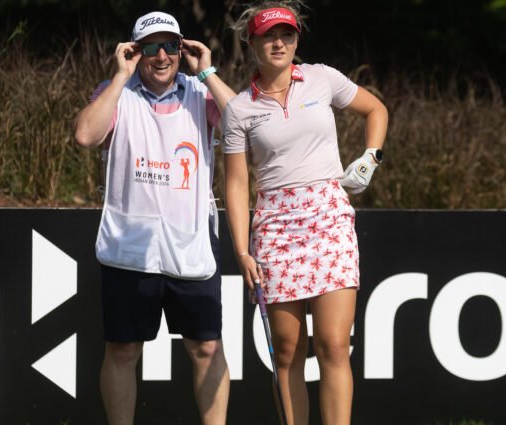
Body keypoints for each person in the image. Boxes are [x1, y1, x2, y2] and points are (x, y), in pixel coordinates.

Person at [223, 2, 388, 424]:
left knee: (334, 344)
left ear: (297, 40)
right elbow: (237, 184)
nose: (279, 43)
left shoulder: (322, 78)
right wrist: (242, 251)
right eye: (269, 36)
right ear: (252, 43)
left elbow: (376, 109)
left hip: (329, 216)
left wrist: (371, 157)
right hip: (275, 226)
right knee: (287, 350)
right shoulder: (239, 109)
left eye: (287, 35)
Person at [73, 11, 236, 425]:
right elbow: (86, 135)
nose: (161, 56)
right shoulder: (116, 92)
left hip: (190, 242)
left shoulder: (201, 93)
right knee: (123, 350)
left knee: (207, 348)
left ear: (182, 49)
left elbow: (246, 127)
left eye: (170, 45)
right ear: (134, 51)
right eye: (150, 47)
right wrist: (120, 76)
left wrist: (208, 72)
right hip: (131, 245)